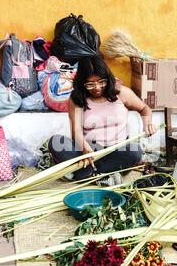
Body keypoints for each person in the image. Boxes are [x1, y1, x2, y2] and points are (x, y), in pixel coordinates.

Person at [48, 54, 155, 185]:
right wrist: (85, 150)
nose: (97, 87)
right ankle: (100, 174)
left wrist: (147, 123)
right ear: (82, 83)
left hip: (116, 150)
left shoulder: (121, 92)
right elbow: (76, 130)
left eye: (101, 82)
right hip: (88, 151)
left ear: (107, 78)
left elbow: (145, 108)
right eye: (90, 84)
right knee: (56, 142)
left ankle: (84, 173)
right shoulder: (76, 98)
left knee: (135, 152)